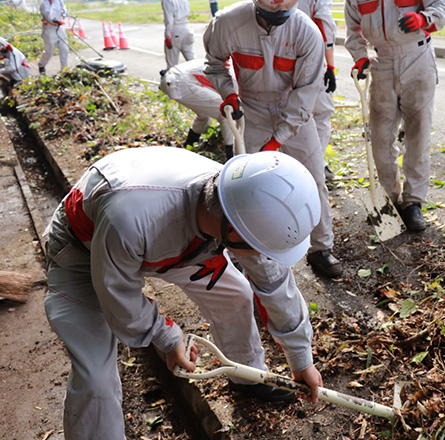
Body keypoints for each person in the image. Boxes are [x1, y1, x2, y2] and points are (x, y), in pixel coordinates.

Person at [44, 148, 324, 439]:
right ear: (234, 231)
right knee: (96, 378)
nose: (261, 254)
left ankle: (247, 375)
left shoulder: (241, 199)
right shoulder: (130, 218)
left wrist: (301, 358)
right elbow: (117, 296)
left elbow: (275, 283)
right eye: (259, 246)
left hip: (177, 241)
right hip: (83, 246)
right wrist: (167, 337)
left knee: (235, 293)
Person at [203, 0, 343, 278]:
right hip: (251, 108)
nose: (278, 2)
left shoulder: (307, 32)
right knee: (247, 186)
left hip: (292, 110)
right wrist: (228, 94)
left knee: (314, 179)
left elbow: (305, 94)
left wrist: (277, 141)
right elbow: (214, 63)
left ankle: (321, 248)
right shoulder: (228, 22)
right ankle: (253, 252)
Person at [344, 0, 445, 232]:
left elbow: (441, 9)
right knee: (380, 138)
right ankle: (389, 200)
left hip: (418, 56)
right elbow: (352, 28)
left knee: (417, 135)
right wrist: (360, 56)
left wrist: (424, 19)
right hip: (381, 62)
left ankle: (413, 203)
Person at [159, 59, 235, 160]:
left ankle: (189, 146)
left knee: (204, 114)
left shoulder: (233, 67)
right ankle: (232, 157)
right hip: (179, 82)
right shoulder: (234, 76)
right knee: (227, 113)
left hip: (174, 79)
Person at [296, 0, 337, 180]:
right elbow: (324, 28)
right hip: (311, 57)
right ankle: (315, 166)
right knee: (321, 113)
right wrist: (330, 67)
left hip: (279, 59)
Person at [161, 0, 195, 69]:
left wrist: (167, 36)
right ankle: (202, 76)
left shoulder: (167, 1)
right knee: (192, 61)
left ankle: (171, 79)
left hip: (175, 31)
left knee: (172, 66)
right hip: (187, 29)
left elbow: (169, 20)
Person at [38, 0, 69, 75]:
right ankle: (41, 65)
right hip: (49, 30)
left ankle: (64, 70)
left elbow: (64, 8)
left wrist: (64, 14)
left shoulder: (59, 1)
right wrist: (55, 21)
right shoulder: (44, 3)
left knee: (64, 48)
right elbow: (48, 16)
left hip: (60, 28)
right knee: (49, 52)